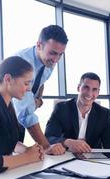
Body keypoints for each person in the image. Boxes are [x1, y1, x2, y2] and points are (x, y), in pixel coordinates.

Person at [12, 25, 68, 155]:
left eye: (60, 55)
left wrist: (37, 99)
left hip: (18, 122)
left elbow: (41, 80)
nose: (56, 59)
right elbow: (26, 114)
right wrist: (47, 147)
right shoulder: (23, 63)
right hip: (3, 121)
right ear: (39, 45)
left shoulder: (49, 61)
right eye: (53, 53)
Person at [45, 72, 110, 153]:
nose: (89, 93)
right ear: (78, 88)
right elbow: (48, 138)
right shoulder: (61, 109)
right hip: (66, 156)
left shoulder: (104, 114)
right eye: (86, 87)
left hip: (93, 160)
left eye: (94, 89)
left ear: (98, 92)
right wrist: (68, 142)